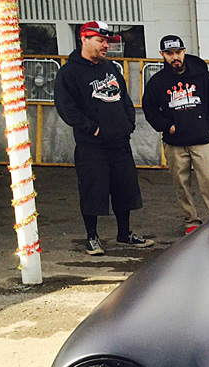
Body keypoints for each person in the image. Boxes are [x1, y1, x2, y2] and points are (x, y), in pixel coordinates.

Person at [54, 20, 154, 255]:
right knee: (93, 189)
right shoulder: (69, 72)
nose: (105, 46)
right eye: (100, 41)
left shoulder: (110, 68)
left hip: (118, 142)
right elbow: (66, 108)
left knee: (124, 188)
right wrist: (92, 128)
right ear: (84, 39)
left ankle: (124, 234)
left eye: (107, 41)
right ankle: (92, 237)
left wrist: (128, 123)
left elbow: (124, 98)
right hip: (92, 145)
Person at [142, 35, 209, 235]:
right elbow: (150, 108)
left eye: (178, 52)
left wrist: (207, 126)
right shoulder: (158, 82)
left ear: (184, 51)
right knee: (181, 184)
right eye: (169, 54)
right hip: (175, 143)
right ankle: (191, 220)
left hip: (201, 140)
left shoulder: (202, 75)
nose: (175, 57)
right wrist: (166, 125)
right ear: (162, 55)